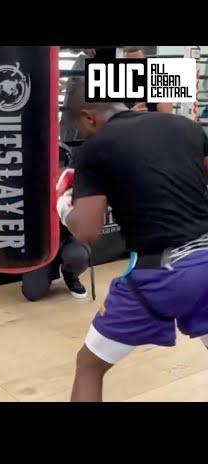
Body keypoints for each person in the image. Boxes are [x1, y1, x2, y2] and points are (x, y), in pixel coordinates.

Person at [57, 77, 208, 402]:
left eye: (79, 128)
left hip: (162, 275)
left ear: (88, 116)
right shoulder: (185, 126)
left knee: (89, 365)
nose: (82, 135)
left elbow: (88, 231)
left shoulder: (96, 149)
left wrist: (62, 206)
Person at [21, 144, 90, 301]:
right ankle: (51, 270)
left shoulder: (73, 182)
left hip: (69, 237)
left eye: (57, 163)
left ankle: (70, 275)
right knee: (32, 293)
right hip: (41, 242)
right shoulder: (28, 183)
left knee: (77, 256)